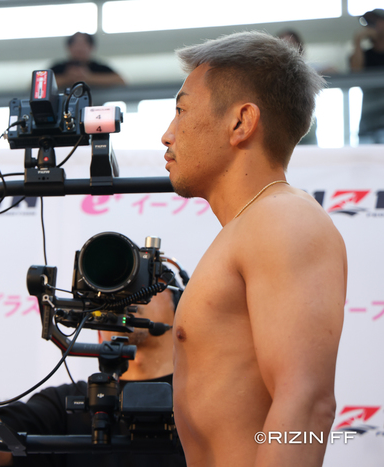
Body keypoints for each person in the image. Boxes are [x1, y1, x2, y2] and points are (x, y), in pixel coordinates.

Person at [161, 31, 347, 466]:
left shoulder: (283, 218)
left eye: (181, 111)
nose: (167, 135)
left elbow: (307, 403)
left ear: (241, 122)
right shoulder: (251, 226)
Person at [0, 285, 187, 466]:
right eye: (113, 286)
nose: (127, 292)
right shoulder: (64, 404)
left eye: (147, 281)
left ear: (183, 310)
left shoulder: (204, 400)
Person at [349, 8, 384, 143]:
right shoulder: (364, 55)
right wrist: (358, 40)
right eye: (368, 22)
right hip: (368, 124)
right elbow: (355, 74)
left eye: (375, 21)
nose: (370, 26)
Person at [50, 32, 125, 90]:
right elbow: (45, 84)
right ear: (69, 47)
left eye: (83, 44)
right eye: (76, 44)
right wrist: (67, 78)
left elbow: (121, 81)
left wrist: (89, 78)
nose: (79, 48)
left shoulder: (100, 67)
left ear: (91, 47)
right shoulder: (57, 68)